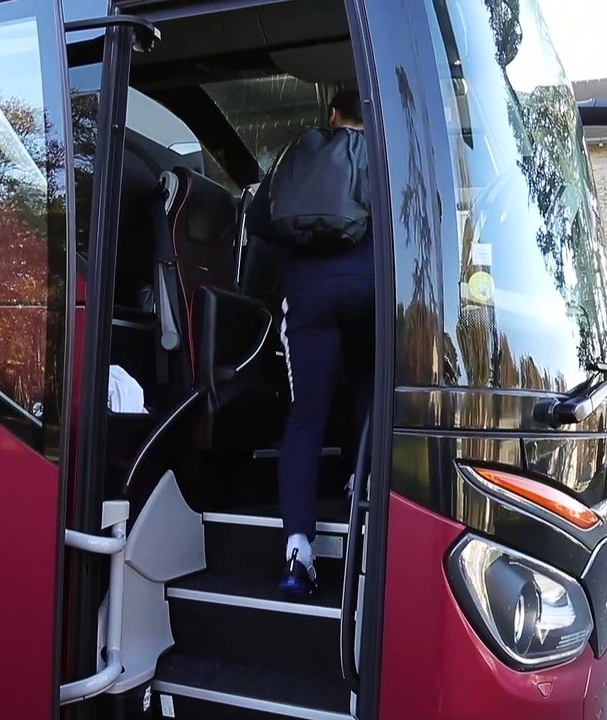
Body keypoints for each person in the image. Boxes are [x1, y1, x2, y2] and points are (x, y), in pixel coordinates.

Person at [245, 88, 374, 598]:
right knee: (370, 379)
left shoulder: (297, 151)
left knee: (306, 416)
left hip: (308, 294)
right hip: (371, 286)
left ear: (333, 115)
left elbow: (259, 223)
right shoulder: (389, 156)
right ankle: (360, 490)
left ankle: (298, 552)